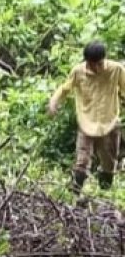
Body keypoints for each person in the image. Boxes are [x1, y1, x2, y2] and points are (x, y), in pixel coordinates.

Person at [48, 41, 125, 193]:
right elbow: (64, 89)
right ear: (86, 62)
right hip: (86, 122)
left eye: (99, 64)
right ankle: (74, 195)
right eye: (92, 64)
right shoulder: (78, 72)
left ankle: (105, 194)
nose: (96, 68)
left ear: (105, 59)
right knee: (82, 161)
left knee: (109, 163)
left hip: (109, 122)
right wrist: (53, 103)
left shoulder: (116, 70)